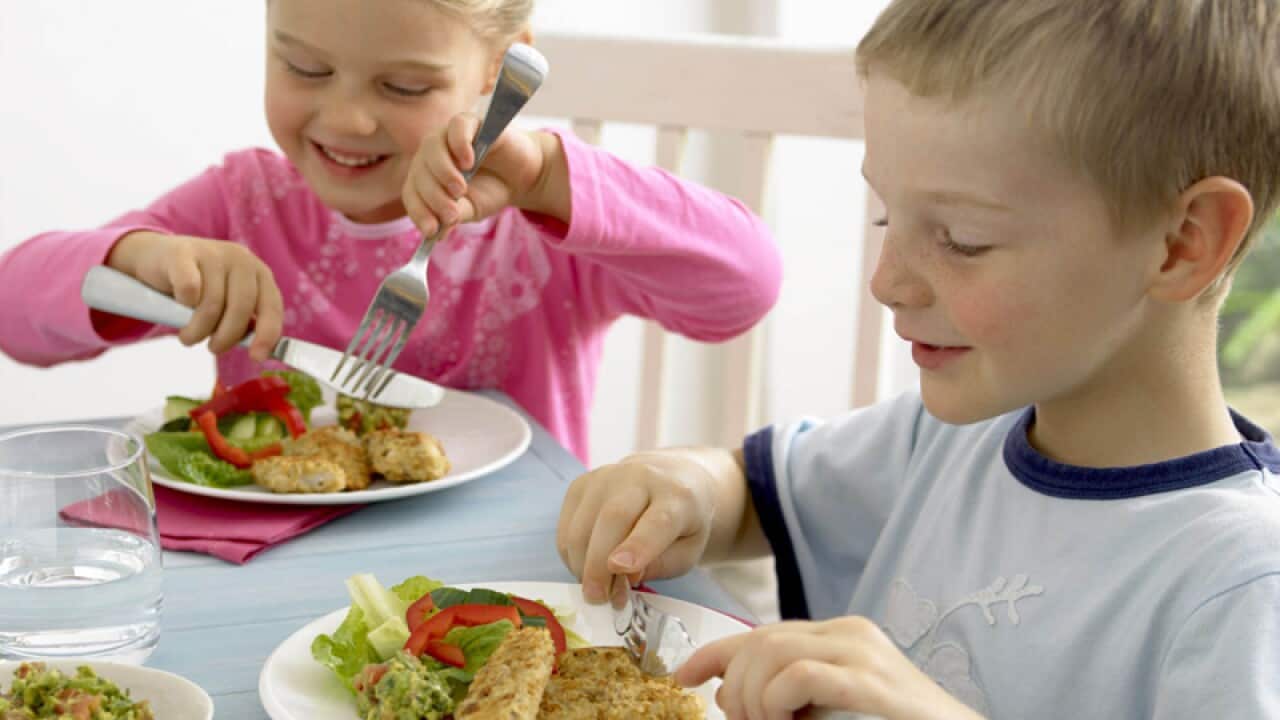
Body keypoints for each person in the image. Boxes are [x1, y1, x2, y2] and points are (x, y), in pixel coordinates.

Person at [557, 0, 1280, 717]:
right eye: (885, 216)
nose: (886, 281)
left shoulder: (1242, 582)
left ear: (1184, 241)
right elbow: (751, 494)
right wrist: (682, 487)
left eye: (962, 238)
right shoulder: (945, 439)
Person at [0, 0, 781, 464]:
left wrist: (547, 178)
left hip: (510, 583)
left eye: (404, 86)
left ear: (500, 71)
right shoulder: (240, 203)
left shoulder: (543, 225)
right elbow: (14, 313)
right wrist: (141, 257)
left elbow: (744, 289)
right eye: (303, 68)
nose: (345, 118)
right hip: (268, 579)